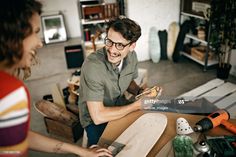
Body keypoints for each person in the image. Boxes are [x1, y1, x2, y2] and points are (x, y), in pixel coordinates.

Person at [0, 0, 112, 157]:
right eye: (35, 32)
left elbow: (18, 136)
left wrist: (81, 151)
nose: (39, 43)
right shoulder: (10, 92)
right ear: (12, 36)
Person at [79, 16, 147, 146]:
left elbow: (128, 82)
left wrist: (140, 91)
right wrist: (135, 106)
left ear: (132, 46)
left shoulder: (132, 56)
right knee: (109, 151)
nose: (112, 50)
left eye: (120, 45)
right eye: (109, 41)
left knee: (141, 138)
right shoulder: (93, 66)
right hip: (95, 120)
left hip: (120, 105)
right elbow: (98, 117)